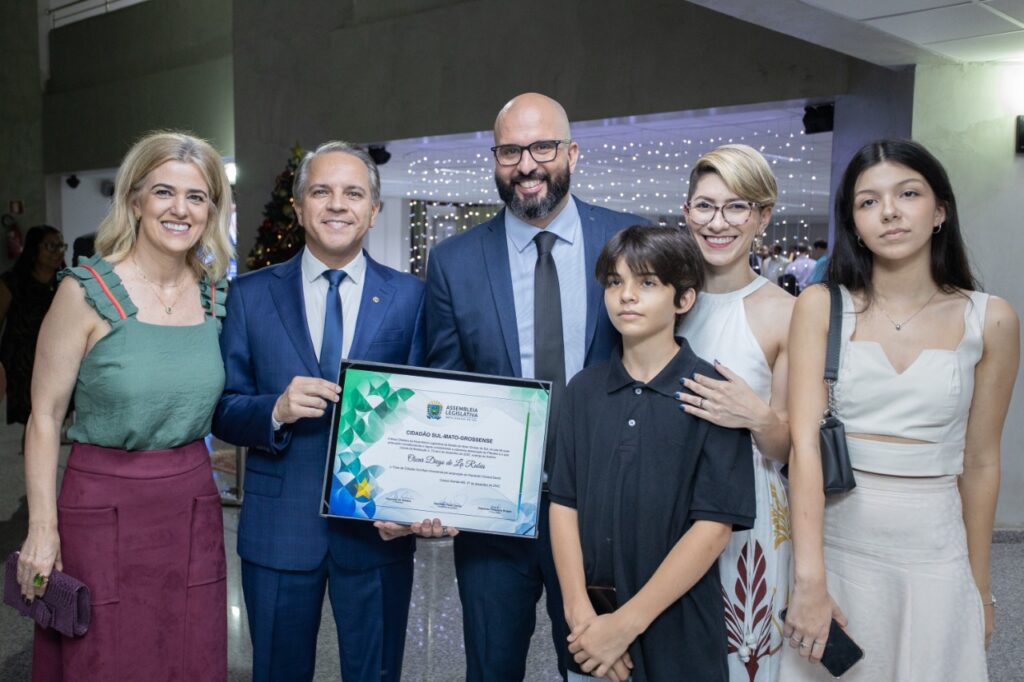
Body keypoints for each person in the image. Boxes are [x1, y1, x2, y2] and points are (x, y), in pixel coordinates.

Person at [782, 140, 1019, 681]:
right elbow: (804, 449)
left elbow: (982, 463)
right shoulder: (822, 305)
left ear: (939, 211)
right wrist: (809, 578)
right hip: (840, 542)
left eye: (907, 194)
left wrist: (980, 588)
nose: (888, 211)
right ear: (854, 223)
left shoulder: (992, 320)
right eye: (868, 202)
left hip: (936, 549)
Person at [425, 92, 642, 681]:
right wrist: (435, 486)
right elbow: (445, 386)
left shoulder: (630, 242)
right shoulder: (453, 262)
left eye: (542, 146)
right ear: (494, 160)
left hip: (604, 509)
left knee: (600, 669)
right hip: (496, 517)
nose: (527, 164)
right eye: (510, 150)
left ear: (572, 152)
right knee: (491, 669)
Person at [213, 141, 437, 682]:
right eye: (322, 191)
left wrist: (415, 499)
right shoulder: (249, 295)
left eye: (353, 193)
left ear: (374, 210)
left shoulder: (411, 297)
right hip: (279, 530)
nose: (337, 204)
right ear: (299, 206)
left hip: (375, 529)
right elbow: (222, 410)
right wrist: (276, 410)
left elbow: (425, 411)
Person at [15, 131, 234, 681]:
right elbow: (43, 416)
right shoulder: (85, 291)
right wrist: (42, 529)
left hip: (190, 503)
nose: (180, 210)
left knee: (189, 650)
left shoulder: (215, 295)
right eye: (164, 192)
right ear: (135, 201)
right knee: (103, 657)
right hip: (102, 503)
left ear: (212, 209)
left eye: (197, 196)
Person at [550, 225, 755, 681]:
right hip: (591, 623)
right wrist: (580, 613)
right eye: (615, 282)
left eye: (646, 283)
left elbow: (714, 528)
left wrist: (623, 626)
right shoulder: (583, 390)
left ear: (683, 299)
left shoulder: (713, 393)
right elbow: (564, 503)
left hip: (678, 622)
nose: (626, 295)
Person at [676, 144, 794, 681]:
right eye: (705, 206)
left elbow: (789, 445)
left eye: (736, 207)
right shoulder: (662, 297)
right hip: (666, 500)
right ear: (687, 212)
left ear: (763, 215)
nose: (717, 223)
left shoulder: (785, 312)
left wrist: (755, 414)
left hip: (749, 511)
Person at [0, 226, 65, 444]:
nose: (57, 252)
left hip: (56, 357)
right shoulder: (13, 282)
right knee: (33, 415)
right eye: (50, 246)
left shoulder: (65, 283)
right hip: (22, 359)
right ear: (34, 249)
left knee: (51, 415)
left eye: (61, 246)